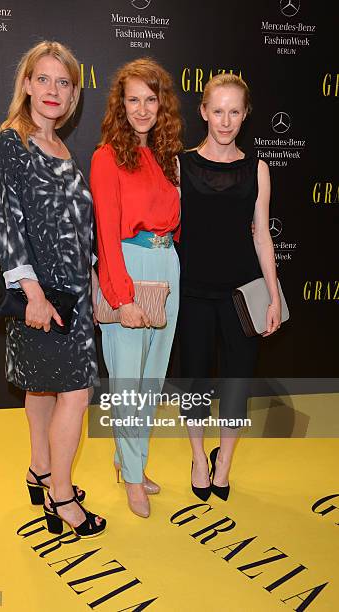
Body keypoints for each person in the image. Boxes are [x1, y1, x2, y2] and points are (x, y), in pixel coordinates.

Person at [0, 41, 106, 537]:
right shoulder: (10, 143)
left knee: (39, 385)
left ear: (74, 92)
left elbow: (81, 226)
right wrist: (32, 293)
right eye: (44, 79)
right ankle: (61, 497)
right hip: (43, 296)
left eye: (64, 82)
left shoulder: (62, 148)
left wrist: (95, 281)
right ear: (27, 84)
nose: (53, 90)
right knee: (74, 395)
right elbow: (6, 223)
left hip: (75, 291)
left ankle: (40, 469)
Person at [178, 73, 281, 501]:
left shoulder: (257, 168)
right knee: (195, 380)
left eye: (234, 111)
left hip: (243, 295)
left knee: (238, 382)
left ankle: (225, 462)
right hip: (192, 293)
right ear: (203, 111)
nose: (225, 120)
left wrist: (273, 296)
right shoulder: (179, 164)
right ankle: (200, 458)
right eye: (217, 110)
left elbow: (262, 235)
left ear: (245, 115)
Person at [90, 58, 182, 518]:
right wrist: (121, 297)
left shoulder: (168, 158)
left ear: (161, 103)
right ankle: (131, 477)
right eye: (133, 100)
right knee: (128, 384)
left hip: (168, 269)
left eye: (150, 99)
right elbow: (106, 233)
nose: (142, 109)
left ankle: (133, 461)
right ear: (119, 105)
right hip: (128, 266)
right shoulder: (106, 157)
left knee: (150, 383)